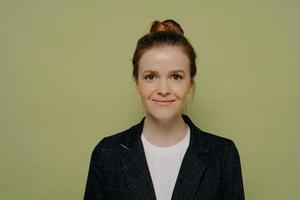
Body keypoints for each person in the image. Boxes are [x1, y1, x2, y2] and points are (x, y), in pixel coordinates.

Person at [84, 19, 245, 200]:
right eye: (150, 76)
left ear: (190, 83)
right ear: (137, 82)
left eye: (176, 76)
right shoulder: (107, 153)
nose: (163, 90)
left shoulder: (223, 154)